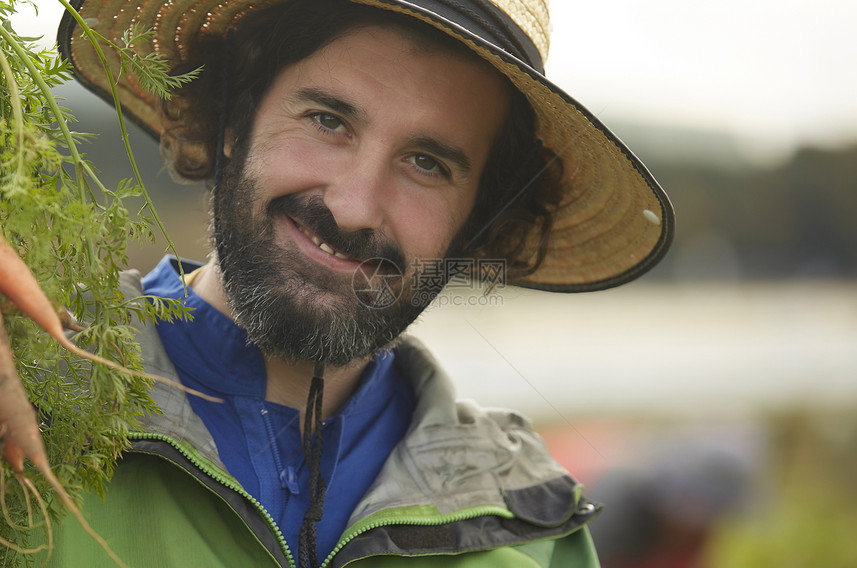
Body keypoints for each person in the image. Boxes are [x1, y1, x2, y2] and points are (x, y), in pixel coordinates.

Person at [52, 0, 673, 566]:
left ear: (477, 220)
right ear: (235, 120)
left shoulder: (534, 534)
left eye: (426, 163)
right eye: (327, 121)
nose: (353, 207)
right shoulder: (35, 400)